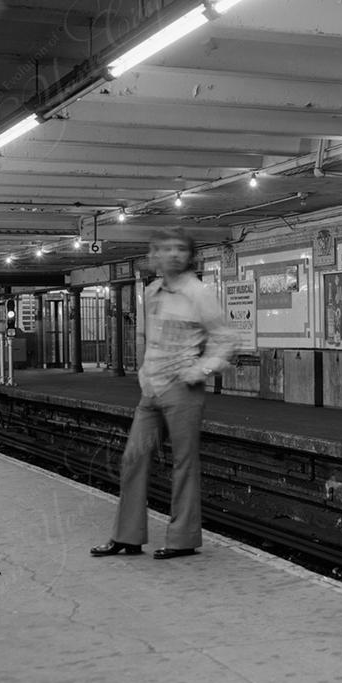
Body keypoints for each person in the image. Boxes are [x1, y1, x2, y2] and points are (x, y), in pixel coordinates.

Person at [91, 227, 234, 560]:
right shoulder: (153, 291)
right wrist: (143, 374)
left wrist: (200, 370)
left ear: (190, 255)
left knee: (183, 464)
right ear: (153, 255)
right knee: (132, 459)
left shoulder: (199, 293)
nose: (173, 255)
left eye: (180, 249)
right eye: (165, 249)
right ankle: (127, 537)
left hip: (183, 390)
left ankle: (183, 539)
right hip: (151, 390)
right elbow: (151, 339)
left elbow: (226, 340)